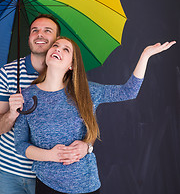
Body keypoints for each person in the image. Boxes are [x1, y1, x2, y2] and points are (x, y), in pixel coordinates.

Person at [13, 36, 175, 194]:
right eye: (55, 46)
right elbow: (20, 145)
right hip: (48, 185)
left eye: (65, 49)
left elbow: (128, 91)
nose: (57, 49)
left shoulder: (86, 92)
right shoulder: (26, 96)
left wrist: (145, 56)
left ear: (72, 65)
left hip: (87, 184)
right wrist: (50, 155)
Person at [0, 15, 89, 194]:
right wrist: (11, 113)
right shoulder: (8, 73)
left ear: (57, 40)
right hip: (9, 174)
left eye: (47, 31)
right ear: (29, 38)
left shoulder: (71, 81)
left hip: (50, 178)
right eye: (35, 30)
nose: (39, 34)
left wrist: (87, 145)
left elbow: (85, 126)